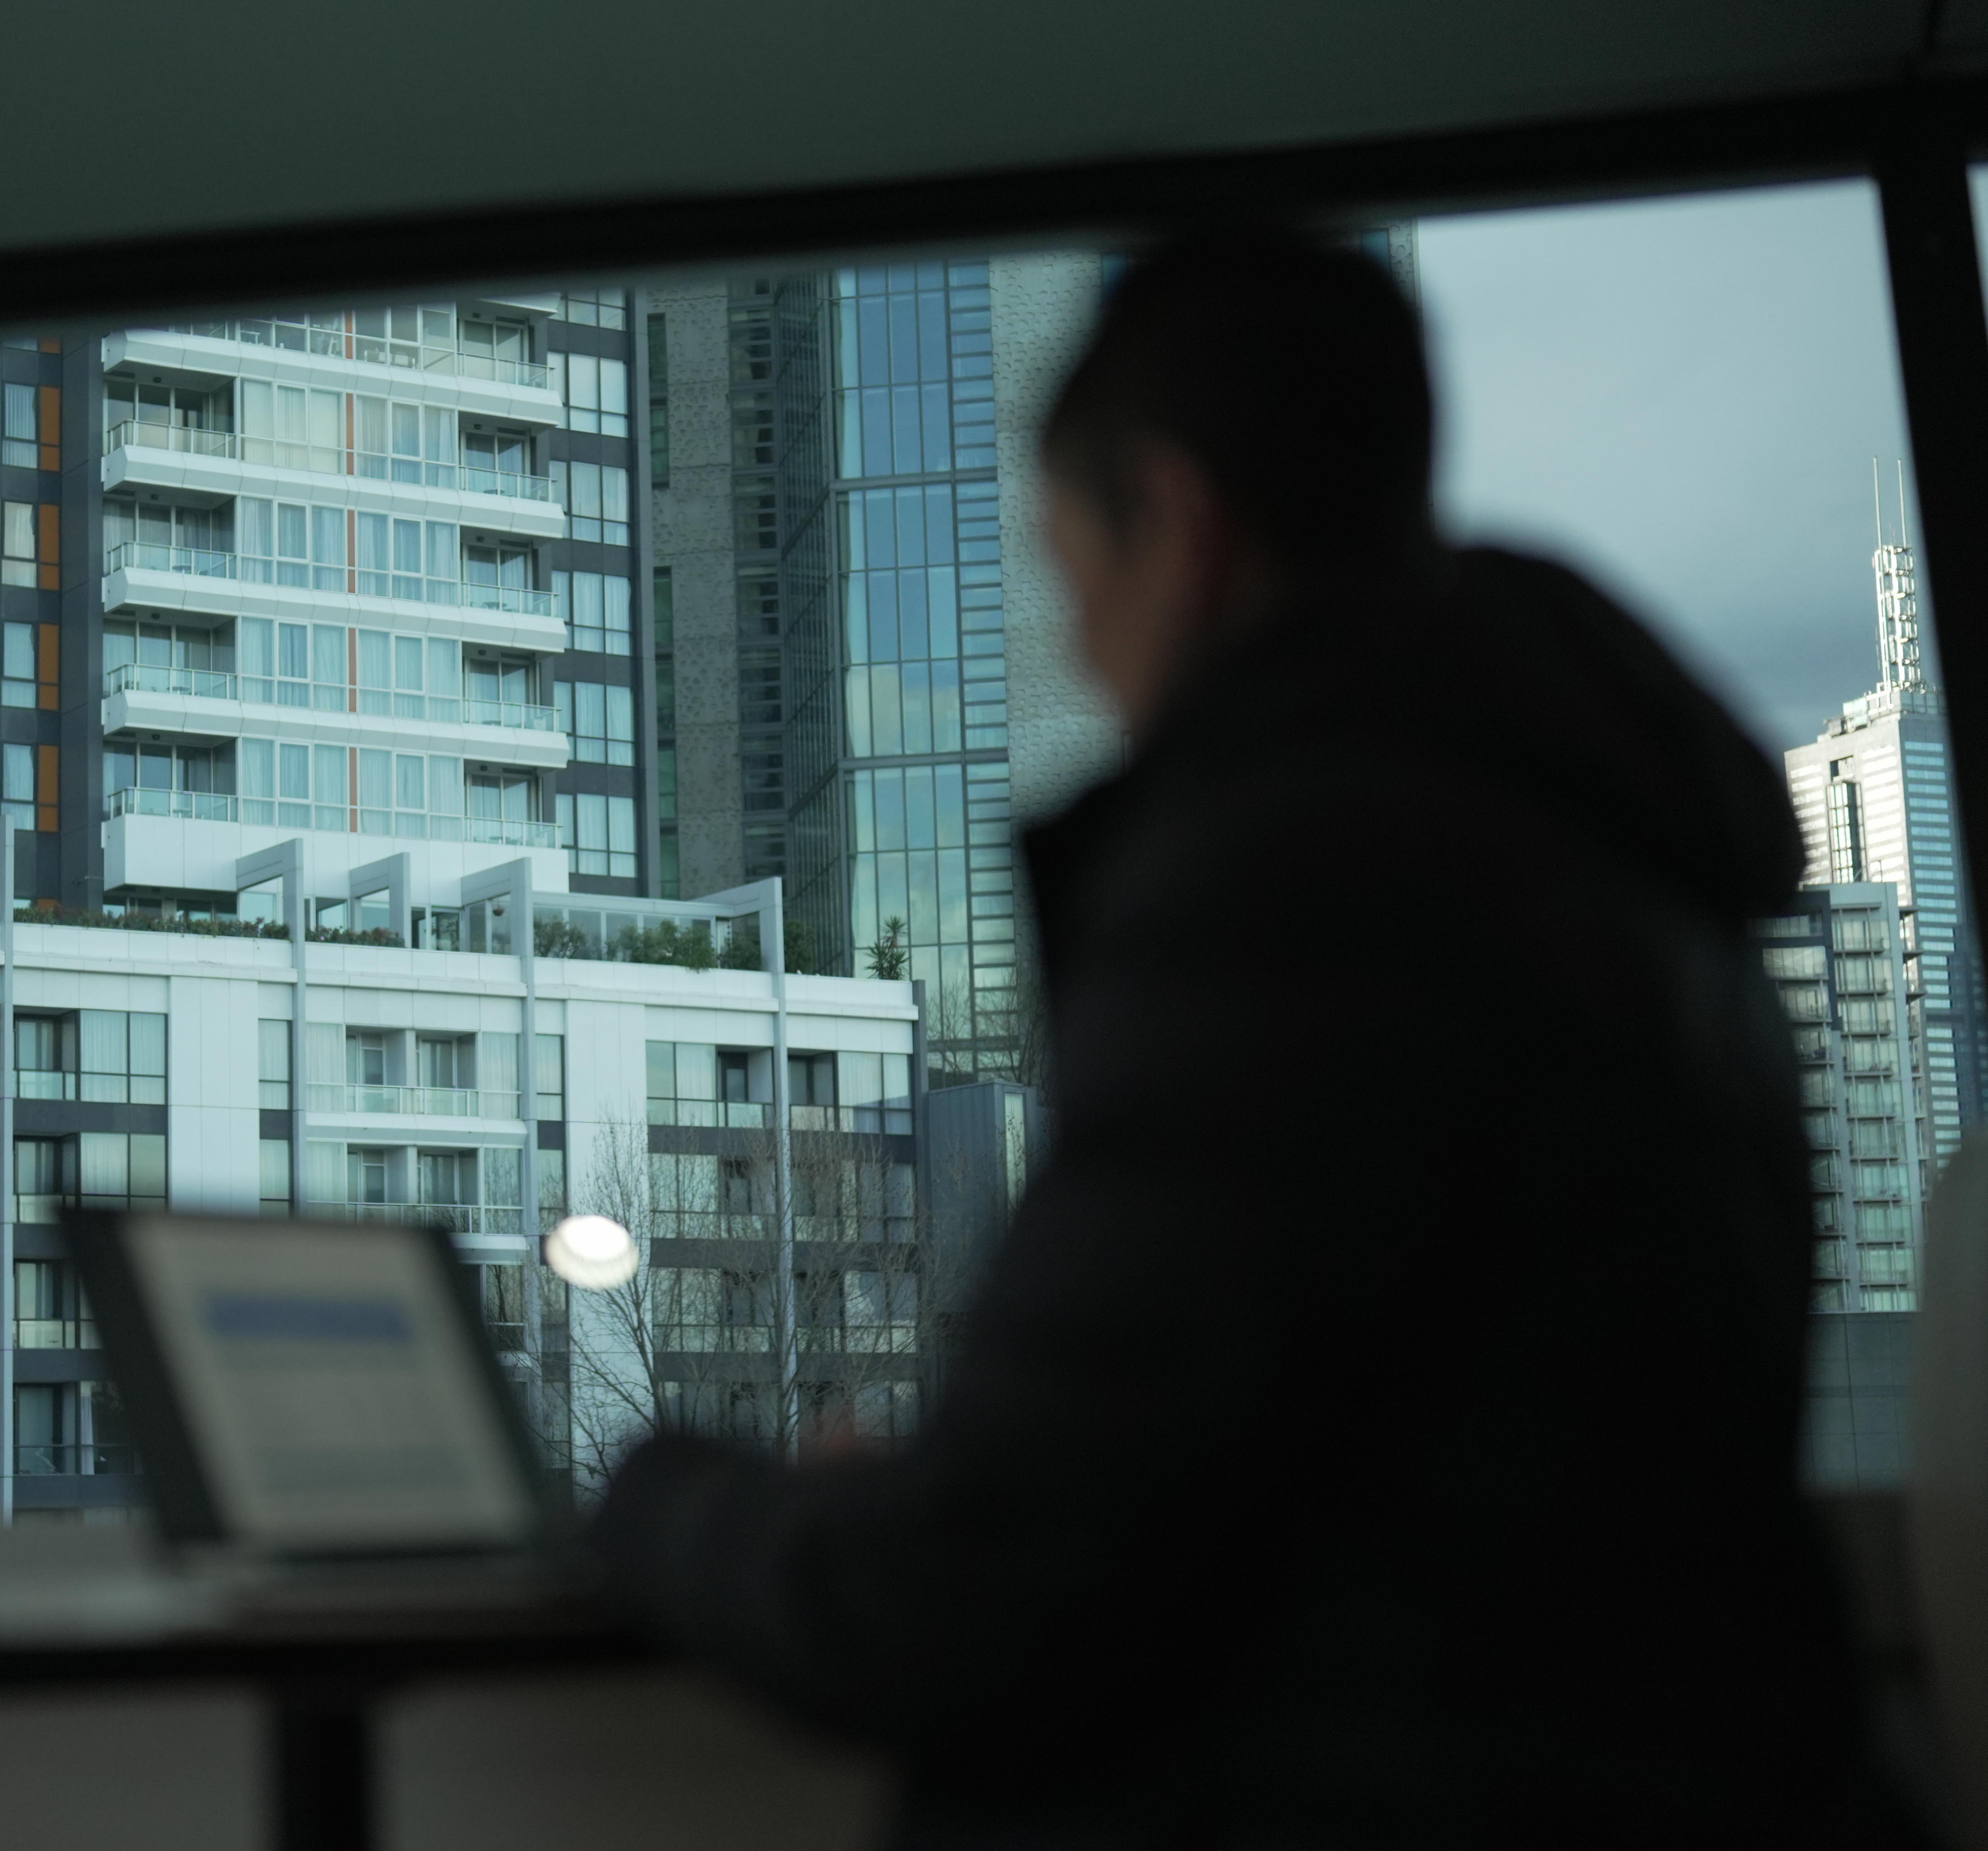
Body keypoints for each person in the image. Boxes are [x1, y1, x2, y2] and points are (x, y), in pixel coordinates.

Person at [588, 230, 1920, 1847]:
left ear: (1180, 527)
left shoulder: (1293, 908)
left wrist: (663, 1493)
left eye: (1072, 572)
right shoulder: (1629, 877)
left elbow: (975, 1602)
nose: (1084, 652)